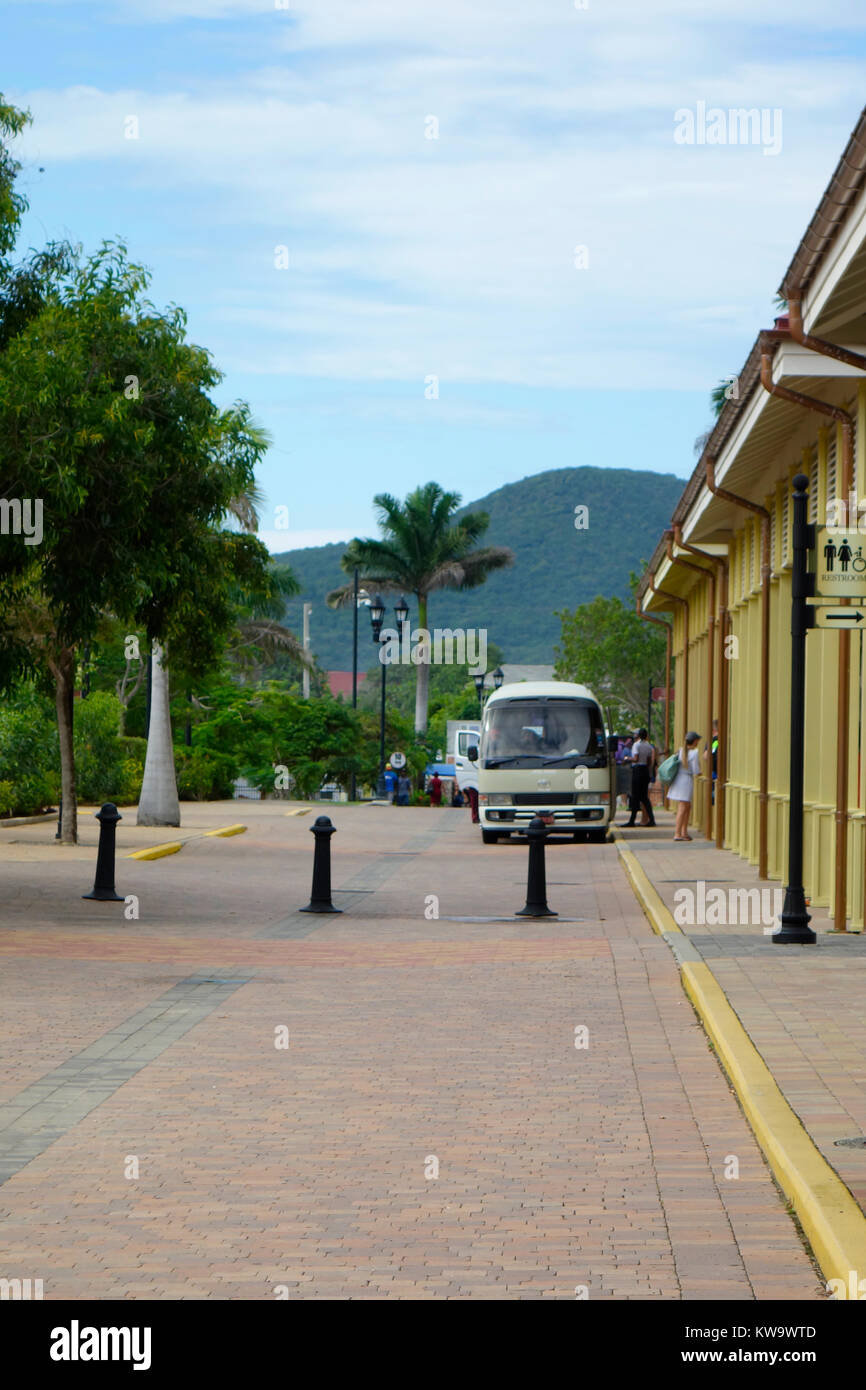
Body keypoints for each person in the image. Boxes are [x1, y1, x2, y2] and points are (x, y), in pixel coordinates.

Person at [668, 731, 702, 840]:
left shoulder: (680, 751)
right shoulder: (694, 753)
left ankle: (683, 832)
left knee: (686, 806)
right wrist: (701, 774)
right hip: (686, 781)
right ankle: (678, 833)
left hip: (679, 779)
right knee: (683, 807)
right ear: (695, 741)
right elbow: (696, 770)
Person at [621, 728, 656, 827]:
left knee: (635, 795)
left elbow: (636, 759)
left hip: (637, 770)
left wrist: (627, 758)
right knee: (644, 797)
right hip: (645, 770)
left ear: (638, 736)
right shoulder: (649, 746)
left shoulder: (636, 745)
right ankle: (651, 819)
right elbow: (649, 761)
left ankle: (632, 821)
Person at [703, 719, 719, 804]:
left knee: (713, 800)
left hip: (715, 773)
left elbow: (706, 756)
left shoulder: (714, 741)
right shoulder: (728, 739)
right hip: (727, 774)